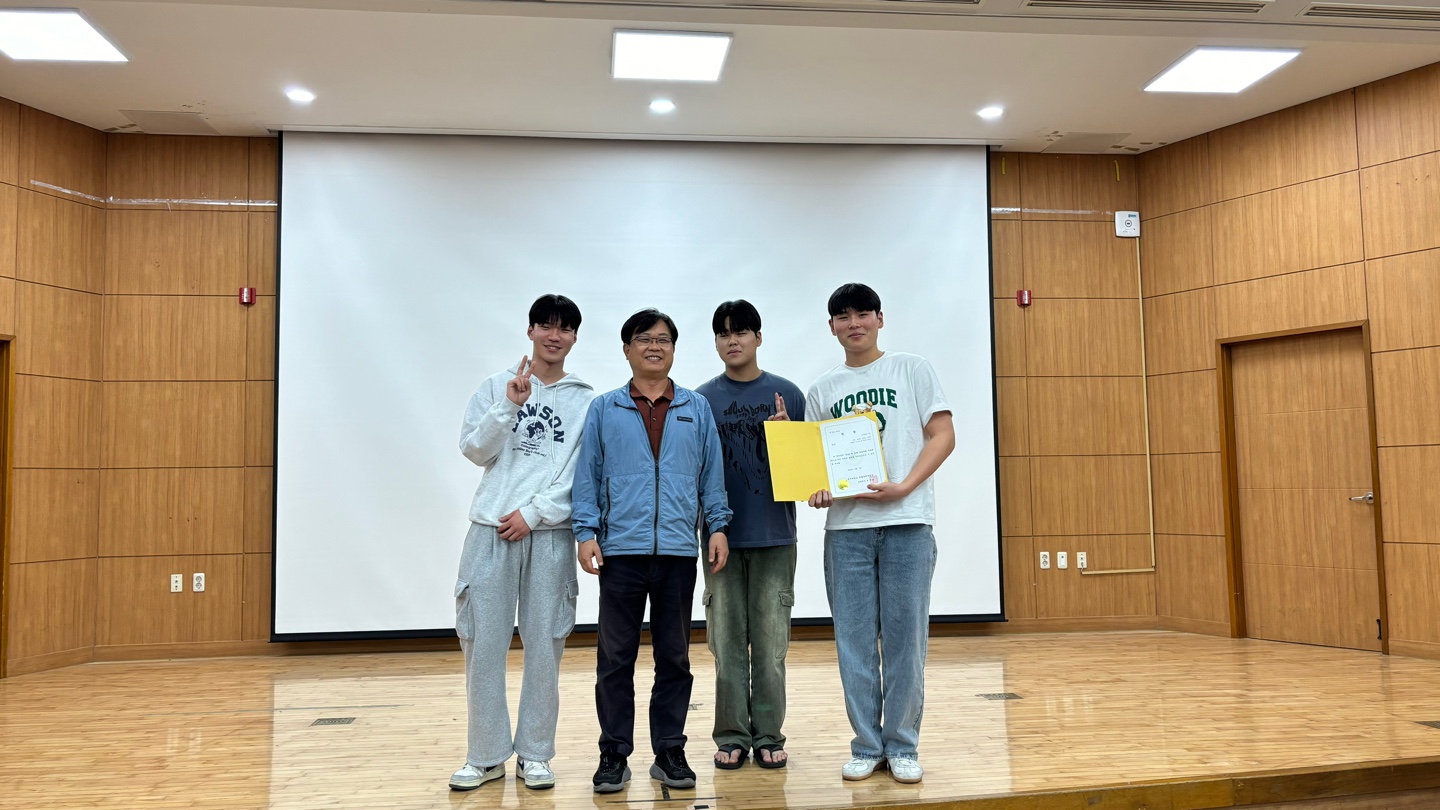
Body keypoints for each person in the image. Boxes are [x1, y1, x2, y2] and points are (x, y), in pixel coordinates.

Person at [571, 308, 733, 794]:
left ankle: (669, 750)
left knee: (675, 658)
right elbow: (588, 474)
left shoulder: (695, 407)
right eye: (644, 339)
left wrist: (717, 526)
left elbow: (711, 474)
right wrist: (585, 532)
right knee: (615, 659)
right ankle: (613, 753)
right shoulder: (605, 408)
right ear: (627, 349)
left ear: (673, 349)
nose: (654, 347)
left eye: (663, 339)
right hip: (620, 551)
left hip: (678, 552)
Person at [804, 283, 955, 785]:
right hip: (847, 530)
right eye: (843, 317)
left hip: (907, 523)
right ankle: (867, 746)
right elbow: (816, 468)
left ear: (880, 319)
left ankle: (903, 746)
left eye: (863, 314)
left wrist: (905, 486)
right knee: (854, 644)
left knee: (906, 642)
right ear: (832, 327)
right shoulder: (822, 389)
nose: (854, 323)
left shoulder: (912, 369)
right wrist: (814, 487)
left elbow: (943, 434)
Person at [449, 294, 596, 792]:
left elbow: (583, 472)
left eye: (564, 328)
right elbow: (474, 450)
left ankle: (535, 754)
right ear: (530, 330)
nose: (554, 336)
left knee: (545, 648)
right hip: (490, 530)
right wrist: (510, 405)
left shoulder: (586, 400)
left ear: (574, 337)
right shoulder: (497, 386)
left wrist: (533, 514)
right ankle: (485, 755)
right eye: (545, 326)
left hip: (549, 535)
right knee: (482, 646)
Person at [695, 300, 806, 771]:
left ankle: (768, 735)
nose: (732, 340)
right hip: (719, 538)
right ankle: (732, 735)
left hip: (775, 538)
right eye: (723, 333)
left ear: (758, 338)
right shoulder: (700, 400)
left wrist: (787, 442)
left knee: (770, 647)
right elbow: (696, 472)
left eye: (741, 331)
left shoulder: (788, 395)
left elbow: (803, 480)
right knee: (725, 645)